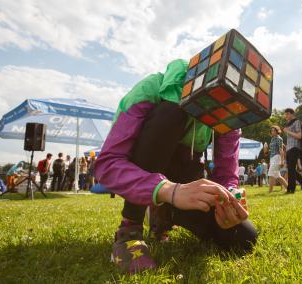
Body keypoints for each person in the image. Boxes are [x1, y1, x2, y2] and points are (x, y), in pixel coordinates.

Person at [94, 59, 256, 274]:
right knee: (170, 114)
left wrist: (227, 201)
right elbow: (107, 164)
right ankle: (129, 230)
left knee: (243, 238)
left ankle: (164, 215)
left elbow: (227, 174)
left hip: (186, 176)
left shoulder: (227, 109)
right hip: (147, 166)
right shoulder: (149, 89)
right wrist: (168, 190)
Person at [282, 108, 302, 194]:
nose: (286, 116)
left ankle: (291, 189)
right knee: (291, 170)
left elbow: (299, 136)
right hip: (289, 148)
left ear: (292, 114)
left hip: (295, 148)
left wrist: (288, 131)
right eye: (285, 114)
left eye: (288, 114)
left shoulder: (297, 122)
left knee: (291, 169)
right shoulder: (288, 124)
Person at [268, 125, 288, 192]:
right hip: (272, 157)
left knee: (270, 173)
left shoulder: (279, 139)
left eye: (274, 130)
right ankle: (289, 188)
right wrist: (267, 150)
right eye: (271, 131)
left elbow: (281, 150)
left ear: (277, 131)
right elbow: (272, 150)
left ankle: (270, 191)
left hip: (277, 157)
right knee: (278, 176)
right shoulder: (272, 139)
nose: (272, 132)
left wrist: (282, 161)